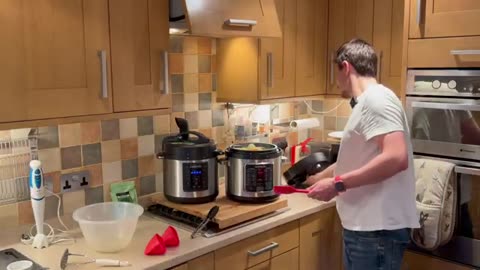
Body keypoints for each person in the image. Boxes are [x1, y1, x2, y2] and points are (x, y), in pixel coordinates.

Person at [306, 39, 419, 270]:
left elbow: (396, 158)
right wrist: (321, 178)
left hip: (375, 233)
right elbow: (364, 158)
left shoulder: (376, 100)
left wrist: (336, 185)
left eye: (336, 71)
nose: (337, 81)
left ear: (346, 67)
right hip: (368, 230)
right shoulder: (369, 102)